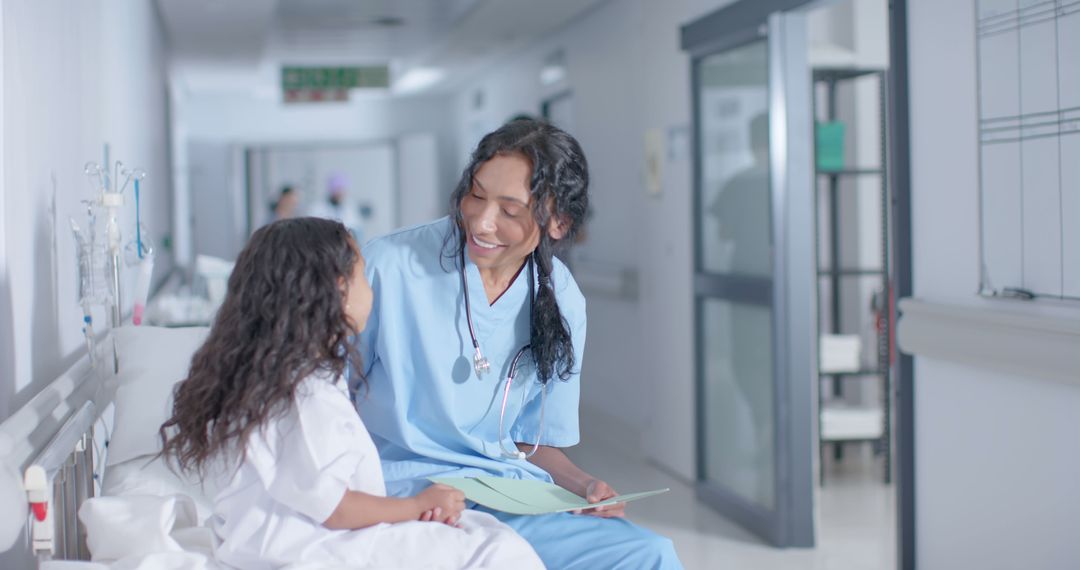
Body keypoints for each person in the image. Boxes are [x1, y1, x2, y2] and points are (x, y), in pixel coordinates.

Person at [355, 119, 683, 569]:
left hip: (504, 492)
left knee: (648, 554)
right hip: (398, 490)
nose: (482, 222)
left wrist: (583, 485)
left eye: (510, 211)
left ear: (558, 222)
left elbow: (531, 443)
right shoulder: (388, 266)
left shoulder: (560, 297)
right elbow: (321, 401)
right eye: (475, 195)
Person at [159, 217, 544, 570]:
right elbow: (333, 508)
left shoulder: (270, 380)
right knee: (494, 548)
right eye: (362, 274)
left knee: (479, 531)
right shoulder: (305, 393)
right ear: (337, 290)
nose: (370, 285)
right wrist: (415, 506)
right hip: (305, 548)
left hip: (271, 540)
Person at [309, 173, 364, 243]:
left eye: (341, 189)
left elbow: (357, 230)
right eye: (337, 189)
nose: (339, 192)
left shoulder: (350, 209)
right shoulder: (317, 207)